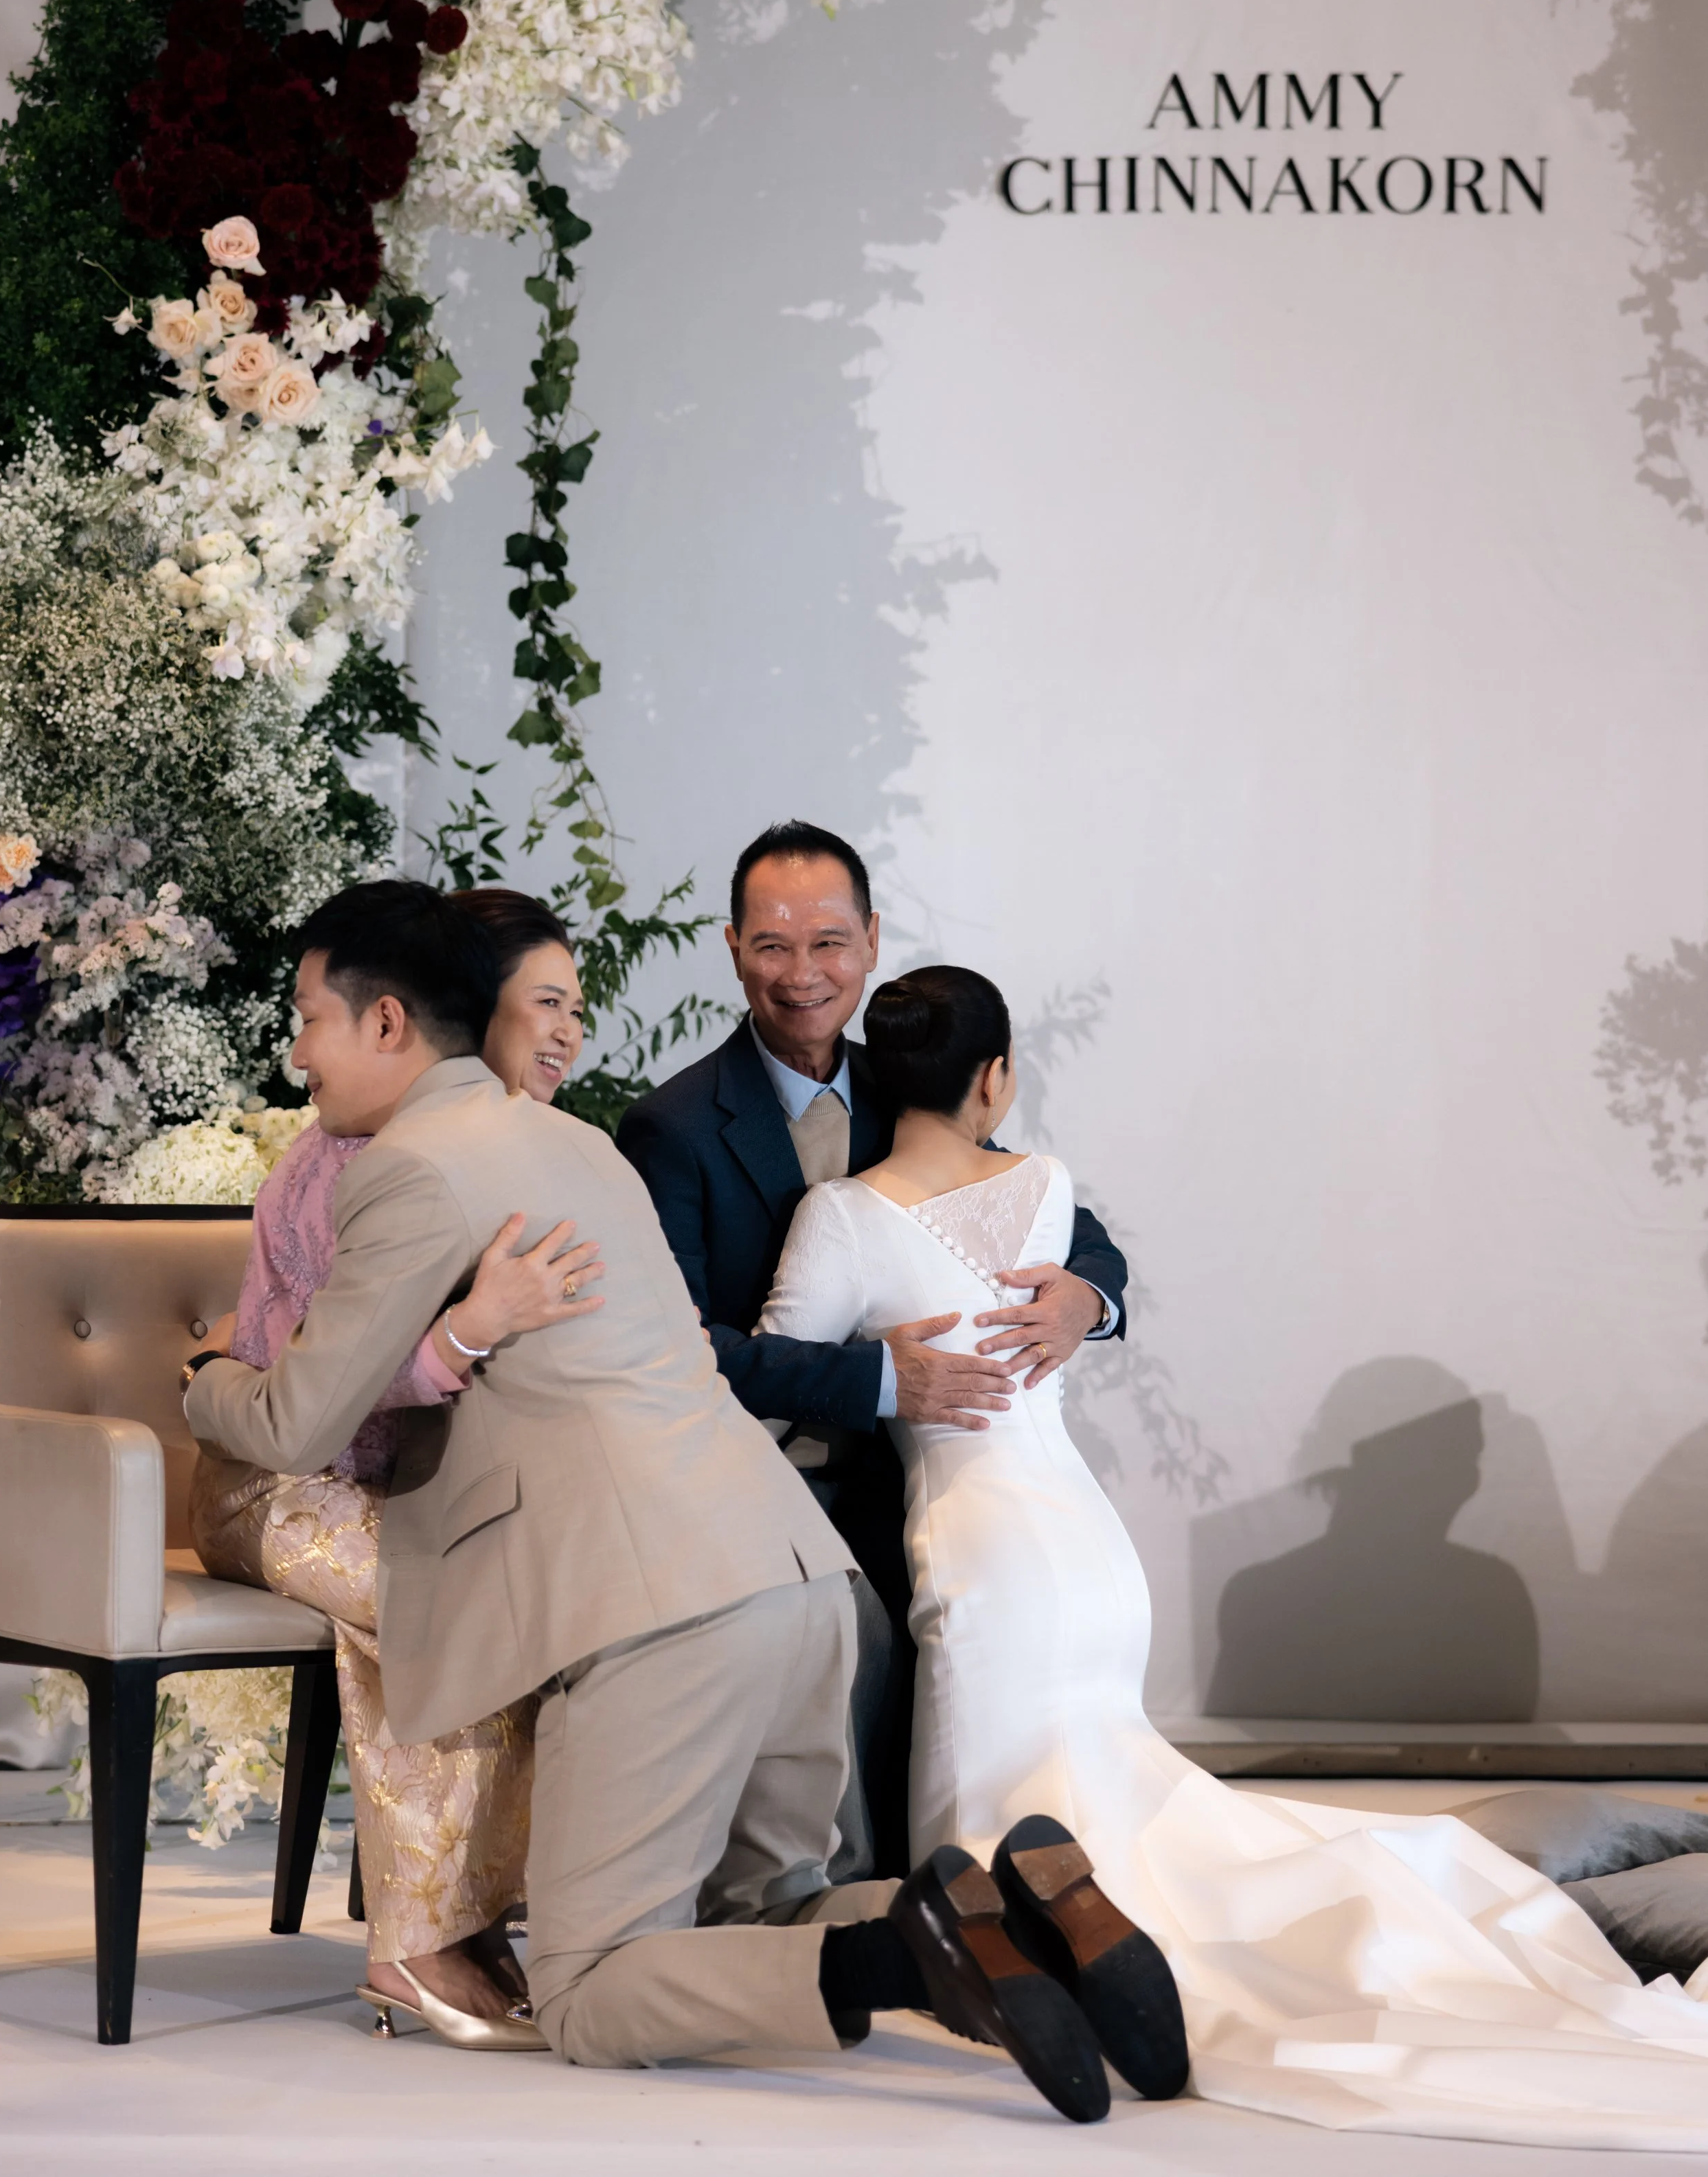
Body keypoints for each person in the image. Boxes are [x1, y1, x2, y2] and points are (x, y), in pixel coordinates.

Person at [182, 881, 1176, 2117]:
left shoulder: (406, 1169)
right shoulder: (580, 1144)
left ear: (387, 1023)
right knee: (768, 1905)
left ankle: (912, 1957)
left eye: (308, 1020)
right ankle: (1030, 1920)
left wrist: (204, 1380)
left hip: (656, 1607)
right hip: (798, 1577)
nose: (297, 1053)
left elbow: (296, 1423)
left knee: (589, 1991)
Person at [758, 965, 1708, 2148]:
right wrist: (1078, 1302)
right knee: (1103, 1795)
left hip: (985, 1548)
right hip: (1090, 1548)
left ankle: (1030, 1976)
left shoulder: (844, 1218)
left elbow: (764, 1374)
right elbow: (1083, 1275)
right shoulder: (1045, 1188)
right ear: (995, 1079)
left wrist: (868, 1368)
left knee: (993, 1821)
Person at [615, 819, 1130, 1869]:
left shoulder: (907, 1077)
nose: (803, 974)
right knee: (874, 1639)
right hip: (781, 1483)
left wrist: (1088, 1298)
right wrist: (881, 1378)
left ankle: (974, 1881)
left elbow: (1062, 1226)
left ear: (872, 941)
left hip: (928, 1479)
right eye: (773, 945)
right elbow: (678, 1350)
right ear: (732, 947)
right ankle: (850, 1898)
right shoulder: (672, 1129)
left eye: (829, 943)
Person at [189, 887, 596, 2040]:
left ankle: (469, 1922)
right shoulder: (351, 1163)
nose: (562, 1035)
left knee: (502, 1584)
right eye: (544, 1006)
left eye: (573, 1010)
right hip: (269, 1483)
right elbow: (317, 1403)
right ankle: (420, 1944)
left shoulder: (505, 1150)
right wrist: (468, 1333)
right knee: (435, 1595)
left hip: (387, 1480)